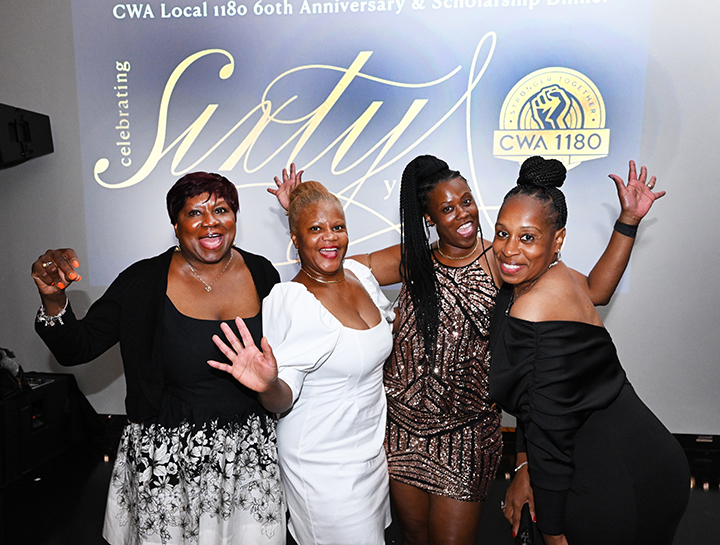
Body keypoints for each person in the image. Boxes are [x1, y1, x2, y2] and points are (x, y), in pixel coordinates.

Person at [31, 172, 286, 544]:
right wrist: (53, 299)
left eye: (221, 210)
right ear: (175, 225)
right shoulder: (142, 281)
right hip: (166, 458)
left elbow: (278, 366)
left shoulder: (262, 273)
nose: (211, 221)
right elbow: (77, 347)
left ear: (235, 217)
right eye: (194, 212)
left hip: (245, 456)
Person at [489, 156, 690, 545]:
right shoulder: (557, 277)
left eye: (527, 237)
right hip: (653, 458)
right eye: (502, 233)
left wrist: (552, 532)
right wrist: (627, 221)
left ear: (557, 240)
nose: (509, 250)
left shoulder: (532, 309)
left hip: (613, 483)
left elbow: (550, 437)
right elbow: (599, 289)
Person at [209, 181, 395, 545]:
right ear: (295, 238)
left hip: (371, 457)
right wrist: (267, 385)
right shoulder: (292, 300)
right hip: (322, 465)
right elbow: (282, 399)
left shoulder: (360, 276)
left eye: (337, 226)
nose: (330, 237)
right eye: (315, 229)